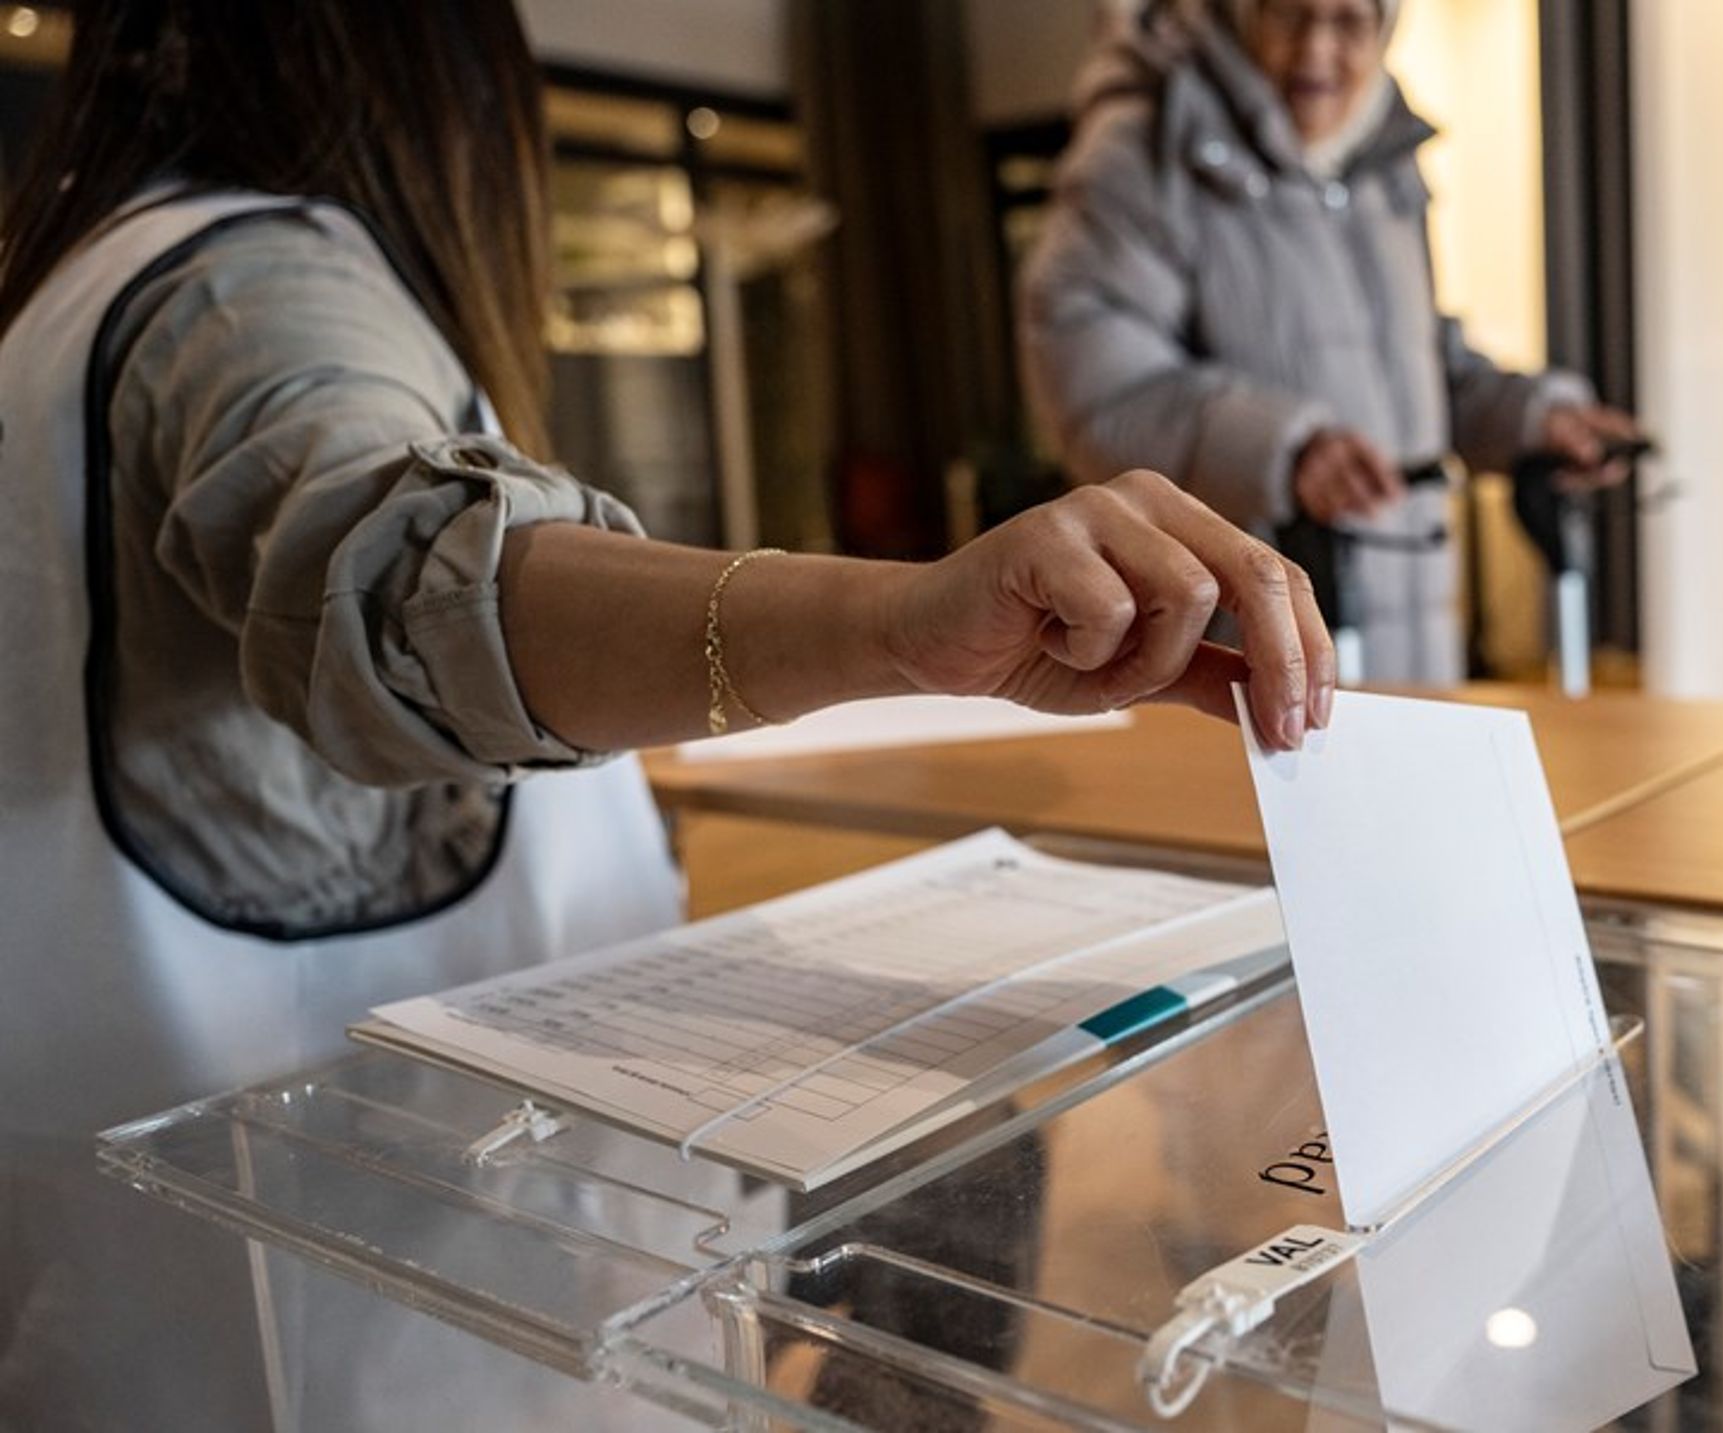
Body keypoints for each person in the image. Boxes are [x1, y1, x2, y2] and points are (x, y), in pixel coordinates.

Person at [0, 3, 1331, 1428]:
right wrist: (891, 623)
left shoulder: (74, 292)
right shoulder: (254, 284)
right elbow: (404, 579)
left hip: (158, 1264)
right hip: (361, 1266)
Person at [1020, 0, 1643, 686]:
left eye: (1348, 21)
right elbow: (1094, 383)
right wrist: (1284, 450)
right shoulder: (1149, 145)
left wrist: (1532, 418)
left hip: (1414, 649)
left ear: (1384, 26)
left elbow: (1421, 367)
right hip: (1233, 661)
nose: (1317, 51)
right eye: (1290, 14)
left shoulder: (1382, 158)